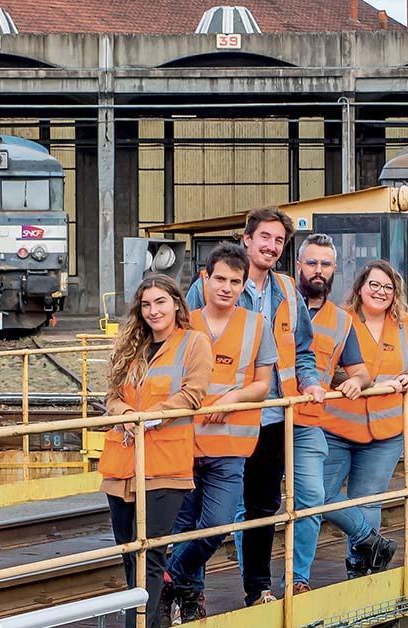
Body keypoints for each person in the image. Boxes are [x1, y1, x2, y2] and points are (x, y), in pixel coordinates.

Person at [185, 206, 323, 607]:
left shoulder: (287, 291)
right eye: (265, 237)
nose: (272, 246)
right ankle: (190, 590)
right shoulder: (215, 283)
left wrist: (310, 383)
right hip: (213, 417)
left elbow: (303, 350)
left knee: (263, 506)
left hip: (271, 414)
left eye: (280, 240)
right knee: (199, 511)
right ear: (247, 239)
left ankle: (257, 589)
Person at [162, 243, 277, 623]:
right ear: (204, 279)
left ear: (244, 285)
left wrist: (232, 397)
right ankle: (190, 599)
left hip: (230, 445)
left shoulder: (256, 325)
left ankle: (168, 578)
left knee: (217, 523)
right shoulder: (183, 325)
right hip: (181, 443)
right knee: (182, 527)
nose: (227, 287)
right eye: (221, 279)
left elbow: (263, 384)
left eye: (236, 281)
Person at [97, 274, 213, 628]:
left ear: (176, 303)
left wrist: (152, 417)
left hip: (164, 464)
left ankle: (141, 625)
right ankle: (153, 620)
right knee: (129, 554)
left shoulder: (194, 343)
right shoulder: (131, 346)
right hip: (123, 464)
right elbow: (112, 397)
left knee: (148, 553)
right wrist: (127, 414)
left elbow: (194, 393)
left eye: (160, 302)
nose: (153, 311)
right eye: (146, 304)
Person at [320, 260, 408, 579]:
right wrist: (357, 382)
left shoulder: (406, 325)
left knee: (368, 501)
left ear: (395, 293)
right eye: (374, 285)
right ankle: (369, 541)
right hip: (338, 428)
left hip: (385, 432)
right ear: (359, 288)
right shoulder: (340, 322)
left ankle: (361, 570)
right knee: (319, 495)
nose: (380, 292)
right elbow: (327, 367)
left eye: (388, 287)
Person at [288, 234, 372, 594]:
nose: (318, 270)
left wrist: (357, 381)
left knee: (310, 500)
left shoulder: (341, 321)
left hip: (308, 422)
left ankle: (299, 579)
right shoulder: (278, 303)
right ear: (298, 266)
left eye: (325, 264)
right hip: (261, 419)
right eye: (311, 263)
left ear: (335, 269)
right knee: (248, 511)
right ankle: (255, 587)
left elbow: (361, 370)